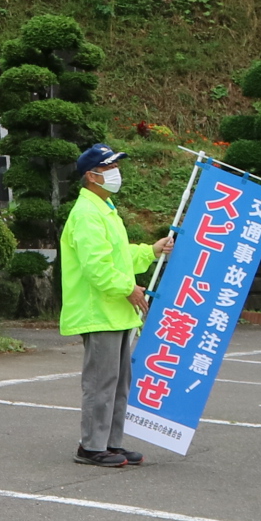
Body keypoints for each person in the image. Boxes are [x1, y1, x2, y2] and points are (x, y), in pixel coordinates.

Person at [59, 145, 172, 467]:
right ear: (91, 175)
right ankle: (92, 446)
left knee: (119, 382)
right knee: (101, 382)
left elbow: (119, 257)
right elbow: (97, 267)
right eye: (109, 167)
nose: (115, 172)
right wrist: (129, 288)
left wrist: (151, 250)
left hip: (116, 311)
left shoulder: (104, 208)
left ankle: (111, 441)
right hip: (100, 311)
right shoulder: (86, 213)